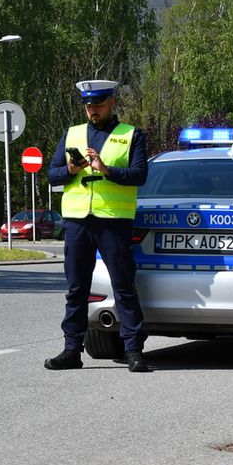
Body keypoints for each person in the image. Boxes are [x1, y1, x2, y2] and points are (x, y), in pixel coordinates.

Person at [44, 80, 151, 373]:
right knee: (77, 288)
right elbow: (52, 175)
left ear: (112, 103)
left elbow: (140, 175)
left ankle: (133, 350)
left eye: (98, 105)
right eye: (89, 106)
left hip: (113, 221)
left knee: (123, 287)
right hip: (78, 221)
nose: (93, 111)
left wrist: (107, 170)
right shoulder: (73, 134)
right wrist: (70, 169)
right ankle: (71, 350)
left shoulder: (130, 135)